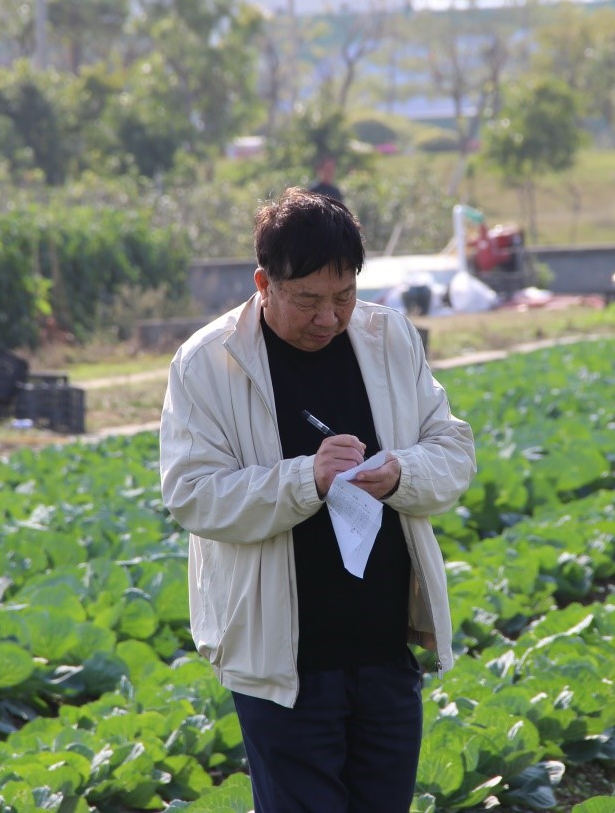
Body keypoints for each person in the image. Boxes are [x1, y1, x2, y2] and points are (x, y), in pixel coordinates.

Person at [159, 187, 476, 813]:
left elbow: (453, 449)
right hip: (283, 664)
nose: (329, 318)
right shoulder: (208, 364)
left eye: (344, 296)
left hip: (386, 654)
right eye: (307, 301)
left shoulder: (389, 339)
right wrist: (307, 479)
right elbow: (193, 496)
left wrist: (399, 473)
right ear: (263, 282)